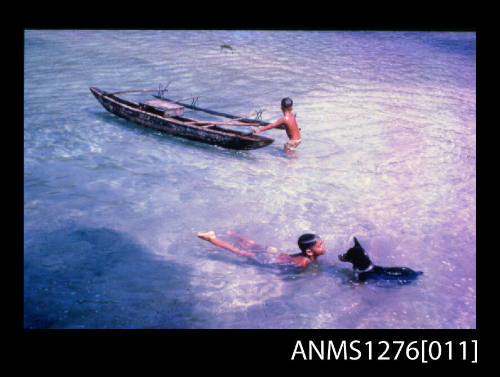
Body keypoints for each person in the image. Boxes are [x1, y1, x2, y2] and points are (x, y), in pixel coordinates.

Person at [197, 231, 325, 268]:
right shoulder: (303, 263)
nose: (323, 246)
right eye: (320, 246)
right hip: (270, 259)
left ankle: (231, 234)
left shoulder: (307, 256)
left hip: (278, 254)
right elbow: (287, 268)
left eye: (322, 243)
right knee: (238, 251)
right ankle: (211, 238)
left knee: (255, 245)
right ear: (309, 252)